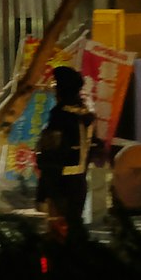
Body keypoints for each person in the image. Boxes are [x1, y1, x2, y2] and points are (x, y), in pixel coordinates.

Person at [33, 65, 101, 237]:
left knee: (58, 233)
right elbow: (95, 149)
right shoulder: (87, 117)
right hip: (79, 183)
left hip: (59, 184)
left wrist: (43, 191)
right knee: (73, 229)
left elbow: (50, 153)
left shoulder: (60, 116)